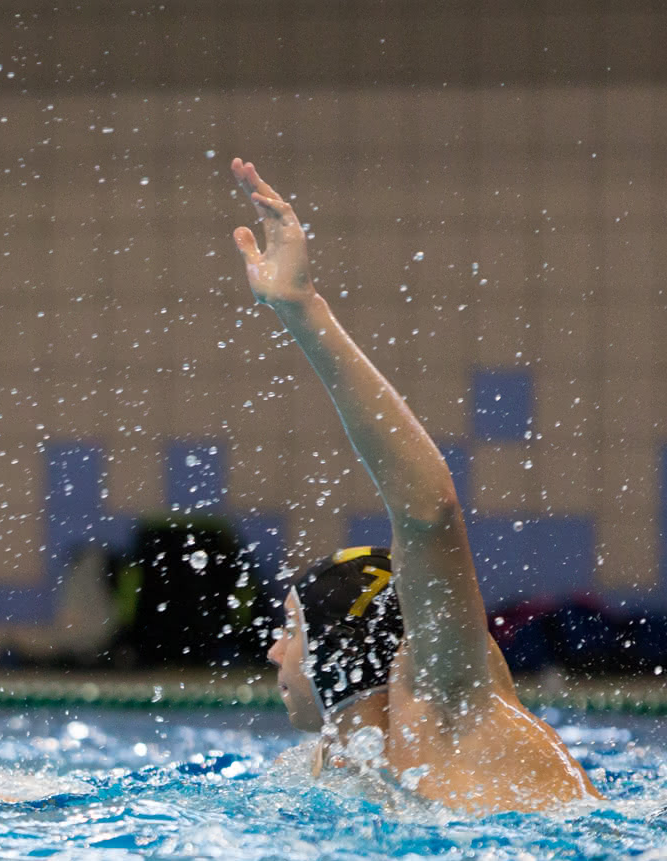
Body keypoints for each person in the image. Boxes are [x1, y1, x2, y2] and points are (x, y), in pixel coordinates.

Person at [230, 157, 599, 814]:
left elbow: (429, 513)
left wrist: (304, 312)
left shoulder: (448, 705)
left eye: (293, 627)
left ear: (338, 643)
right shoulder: (333, 762)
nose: (275, 648)